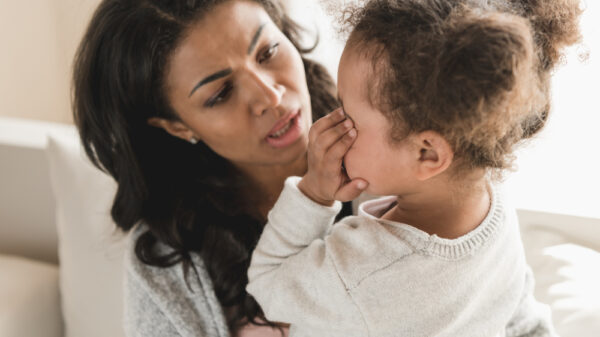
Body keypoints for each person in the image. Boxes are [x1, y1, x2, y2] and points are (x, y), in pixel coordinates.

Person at [246, 0, 582, 336]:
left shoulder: (358, 271)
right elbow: (517, 307)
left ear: (427, 155)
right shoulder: (494, 202)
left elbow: (268, 281)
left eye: (346, 113)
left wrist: (314, 194)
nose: (329, 122)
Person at [72, 0, 346, 336]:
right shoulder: (168, 262)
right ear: (177, 127)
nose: (270, 96)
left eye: (267, 52)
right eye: (221, 93)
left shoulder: (399, 138)